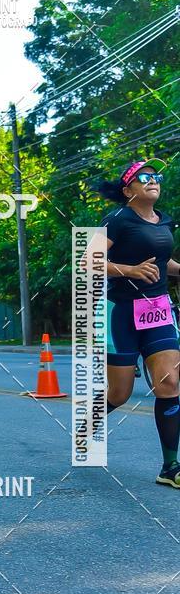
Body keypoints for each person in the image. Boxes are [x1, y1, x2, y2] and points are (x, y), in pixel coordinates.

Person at [99, 159, 180, 487]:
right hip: (122, 312)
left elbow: (163, 263)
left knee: (170, 384)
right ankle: (88, 423)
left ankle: (170, 467)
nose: (153, 180)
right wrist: (129, 271)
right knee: (120, 393)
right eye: (144, 176)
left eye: (156, 176)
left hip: (158, 311)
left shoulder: (165, 221)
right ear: (128, 189)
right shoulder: (117, 220)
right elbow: (88, 261)